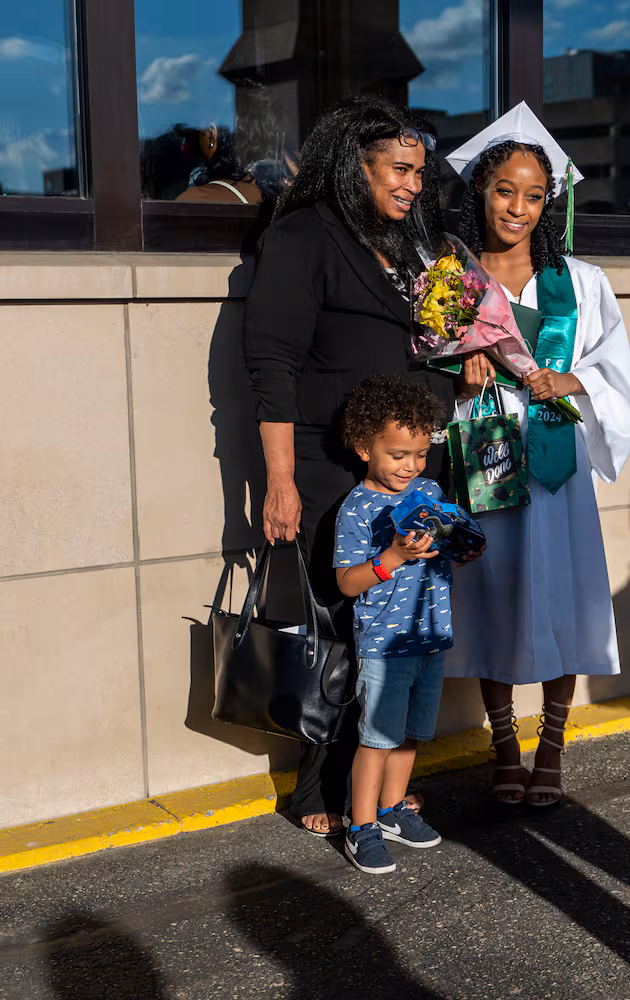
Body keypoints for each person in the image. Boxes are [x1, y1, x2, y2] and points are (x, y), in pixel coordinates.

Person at [244, 97, 456, 837]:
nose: (412, 185)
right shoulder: (304, 238)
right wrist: (278, 481)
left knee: (397, 625)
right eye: (399, 169)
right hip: (328, 466)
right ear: (352, 165)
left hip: (408, 465)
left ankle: (380, 792)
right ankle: (316, 791)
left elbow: (428, 340)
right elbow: (271, 363)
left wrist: (472, 359)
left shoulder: (411, 247)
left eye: (420, 173)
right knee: (337, 625)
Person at [443, 104, 630, 808]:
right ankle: (503, 747)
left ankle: (551, 750)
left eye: (534, 195)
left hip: (557, 467)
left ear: (549, 202)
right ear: (479, 191)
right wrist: (456, 372)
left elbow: (615, 368)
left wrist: (574, 378)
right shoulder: (452, 281)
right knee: (491, 600)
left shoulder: (581, 281)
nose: (518, 208)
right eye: (504, 191)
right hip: (488, 454)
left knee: (564, 600)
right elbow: (422, 363)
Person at [332, 377, 475, 874]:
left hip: (431, 636)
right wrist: (392, 554)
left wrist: (462, 547)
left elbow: (448, 552)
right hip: (384, 645)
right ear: (362, 447)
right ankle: (361, 825)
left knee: (410, 733)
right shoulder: (356, 509)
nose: (410, 467)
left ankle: (392, 809)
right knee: (376, 738)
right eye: (396, 454)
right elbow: (348, 583)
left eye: (418, 453)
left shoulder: (430, 491)